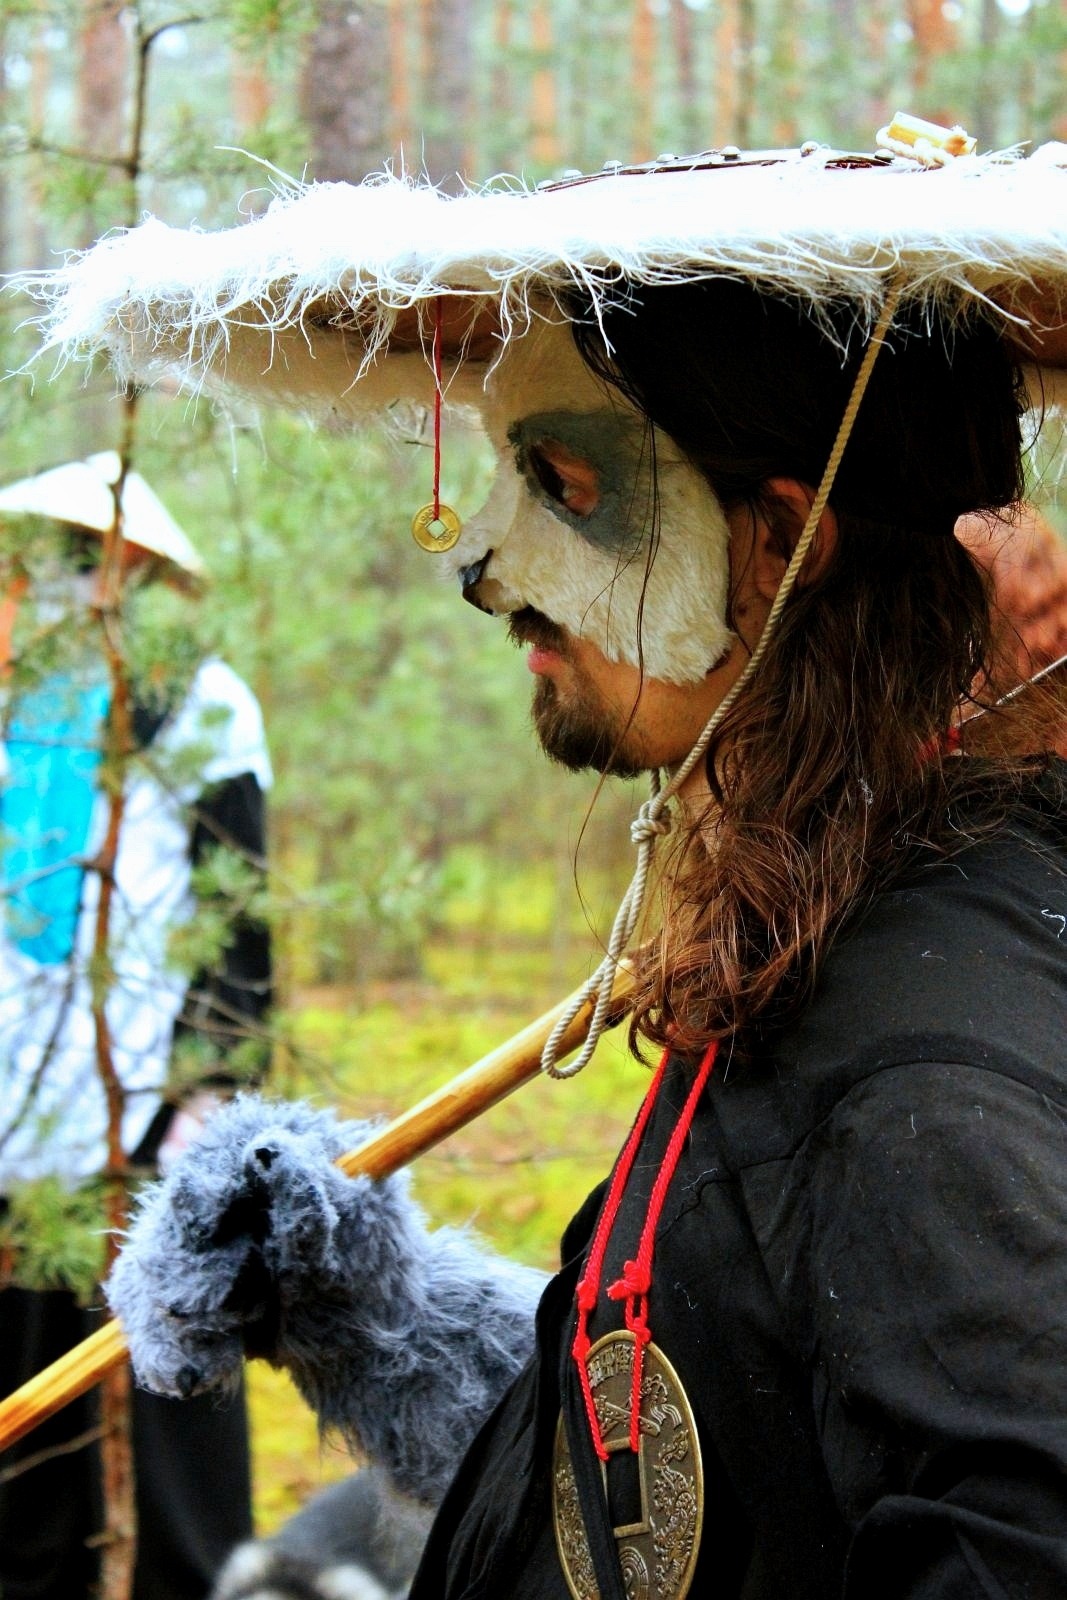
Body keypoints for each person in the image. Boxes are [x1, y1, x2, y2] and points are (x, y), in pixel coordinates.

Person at [24, 133, 1067, 1597]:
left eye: (561, 485)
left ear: (777, 542)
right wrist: (373, 1314)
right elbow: (716, 1471)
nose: (484, 571)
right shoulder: (831, 928)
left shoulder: (919, 1081)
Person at [0, 452, 273, 1600]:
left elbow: (234, 915)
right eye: (51, 557)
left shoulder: (198, 705)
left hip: (139, 1120)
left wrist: (205, 1100)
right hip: (17, 1121)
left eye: (91, 558)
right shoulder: (7, 703)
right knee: (25, 1435)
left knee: (160, 1416)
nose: (67, 580)